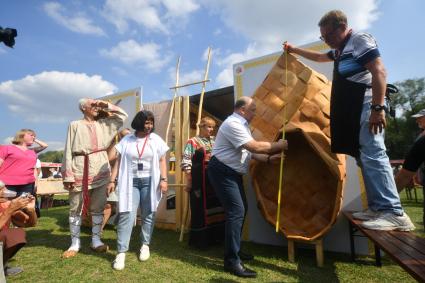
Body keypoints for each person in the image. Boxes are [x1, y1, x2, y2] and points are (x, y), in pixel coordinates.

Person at [283, 10, 414, 231]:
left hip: (366, 104)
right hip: (355, 109)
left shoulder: (359, 40)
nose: (327, 41)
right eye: (323, 38)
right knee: (365, 158)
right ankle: (377, 208)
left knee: (374, 153)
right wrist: (293, 49)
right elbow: (319, 57)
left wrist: (378, 108)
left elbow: (379, 71)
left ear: (342, 27)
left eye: (328, 36)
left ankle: (393, 212)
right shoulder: (341, 50)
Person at [207, 97, 287, 278]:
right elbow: (255, 147)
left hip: (230, 172)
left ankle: (235, 250)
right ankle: (232, 261)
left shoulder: (241, 126)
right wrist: (278, 146)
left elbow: (248, 153)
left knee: (240, 210)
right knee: (236, 211)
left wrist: (267, 159)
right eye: (253, 110)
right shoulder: (233, 124)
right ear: (242, 110)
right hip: (222, 171)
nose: (255, 113)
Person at [61, 98, 127, 258]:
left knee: (99, 207)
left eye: (97, 105)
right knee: (75, 208)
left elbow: (122, 116)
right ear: (83, 108)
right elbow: (68, 149)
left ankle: (96, 240)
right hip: (79, 167)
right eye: (93, 105)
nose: (96, 107)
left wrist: (106, 105)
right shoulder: (74, 125)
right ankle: (75, 243)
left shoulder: (104, 124)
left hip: (100, 168)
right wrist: (67, 174)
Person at [108, 110, 168, 270]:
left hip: (150, 181)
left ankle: (145, 244)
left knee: (149, 213)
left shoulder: (155, 139)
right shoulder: (127, 140)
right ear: (139, 122)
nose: (149, 126)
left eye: (151, 123)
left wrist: (163, 179)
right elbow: (117, 161)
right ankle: (121, 252)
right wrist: (112, 180)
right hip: (130, 182)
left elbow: (162, 161)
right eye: (147, 123)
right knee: (127, 214)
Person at [181, 117, 225, 249]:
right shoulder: (192, 141)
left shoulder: (214, 141)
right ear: (201, 126)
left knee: (217, 208)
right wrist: (190, 180)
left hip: (214, 181)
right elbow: (186, 161)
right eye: (209, 127)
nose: (211, 130)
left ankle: (216, 239)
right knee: (200, 209)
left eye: (213, 127)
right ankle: (201, 241)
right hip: (199, 182)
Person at [395, 109, 425, 228]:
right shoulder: (420, 137)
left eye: (420, 117)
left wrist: (389, 197)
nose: (417, 120)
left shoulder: (422, 140)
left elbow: (405, 174)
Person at [0, 180, 37, 276]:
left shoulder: (5, 205)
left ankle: (2, 267)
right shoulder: (8, 207)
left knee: (17, 235)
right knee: (9, 235)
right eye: (1, 190)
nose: (5, 192)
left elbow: (30, 224)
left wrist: (31, 210)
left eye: (4, 188)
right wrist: (10, 210)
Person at [0, 129, 48, 202]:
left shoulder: (32, 151)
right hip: (7, 185)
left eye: (34, 136)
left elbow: (45, 145)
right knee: (7, 209)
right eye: (31, 135)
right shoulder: (7, 148)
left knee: (24, 209)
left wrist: (35, 183)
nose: (34, 137)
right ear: (21, 135)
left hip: (27, 185)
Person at [101, 127, 131, 231]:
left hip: (127, 180)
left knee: (123, 206)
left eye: (129, 135)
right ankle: (98, 231)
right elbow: (110, 159)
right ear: (119, 136)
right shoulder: (116, 146)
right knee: (109, 206)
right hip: (113, 180)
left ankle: (121, 226)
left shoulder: (132, 146)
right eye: (124, 135)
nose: (127, 137)